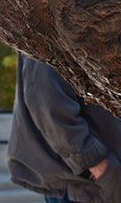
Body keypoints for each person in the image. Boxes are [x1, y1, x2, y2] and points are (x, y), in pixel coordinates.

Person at [7, 54, 121, 203]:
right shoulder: (47, 40)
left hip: (101, 181)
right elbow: (47, 103)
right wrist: (96, 164)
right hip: (87, 184)